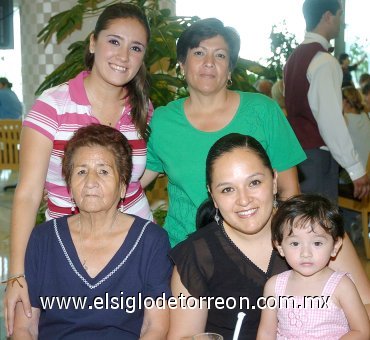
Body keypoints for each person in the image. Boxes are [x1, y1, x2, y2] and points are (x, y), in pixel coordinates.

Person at [5, 3, 154, 335]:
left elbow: (138, 176)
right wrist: (17, 273)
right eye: (114, 41)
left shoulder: (143, 110)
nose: (123, 55)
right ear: (92, 42)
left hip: (133, 248)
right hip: (66, 251)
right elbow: (28, 194)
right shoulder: (52, 106)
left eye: (136, 48)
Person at [167, 133, 370, 340]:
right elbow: (183, 335)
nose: (244, 200)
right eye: (228, 189)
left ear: (274, 181)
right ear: (213, 196)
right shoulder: (197, 254)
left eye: (254, 183)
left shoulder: (318, 231)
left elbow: (366, 306)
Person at [142, 18, 306, 246]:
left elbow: (290, 191)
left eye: (220, 55)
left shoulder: (263, 110)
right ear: (181, 64)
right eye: (199, 53)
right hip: (184, 250)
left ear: (229, 69)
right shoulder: (163, 120)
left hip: (257, 247)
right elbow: (133, 183)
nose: (209, 62)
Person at [9, 124, 172, 339]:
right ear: (69, 184)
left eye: (103, 171)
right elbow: (24, 328)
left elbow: (154, 327)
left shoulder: (151, 241)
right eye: (81, 171)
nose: (90, 182)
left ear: (123, 185)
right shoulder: (44, 239)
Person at [283, 0, 370, 201]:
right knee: (321, 226)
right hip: (316, 158)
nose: (341, 22)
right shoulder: (324, 61)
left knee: (302, 223)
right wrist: (355, 169)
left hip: (296, 155)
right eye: (340, 15)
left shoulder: (293, 58)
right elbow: (331, 120)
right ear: (328, 16)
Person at [257, 194, 369, 339]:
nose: (306, 253)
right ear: (280, 247)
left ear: (335, 246)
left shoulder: (341, 286)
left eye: (317, 243)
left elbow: (361, 331)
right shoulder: (273, 286)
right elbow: (266, 332)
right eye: (295, 243)